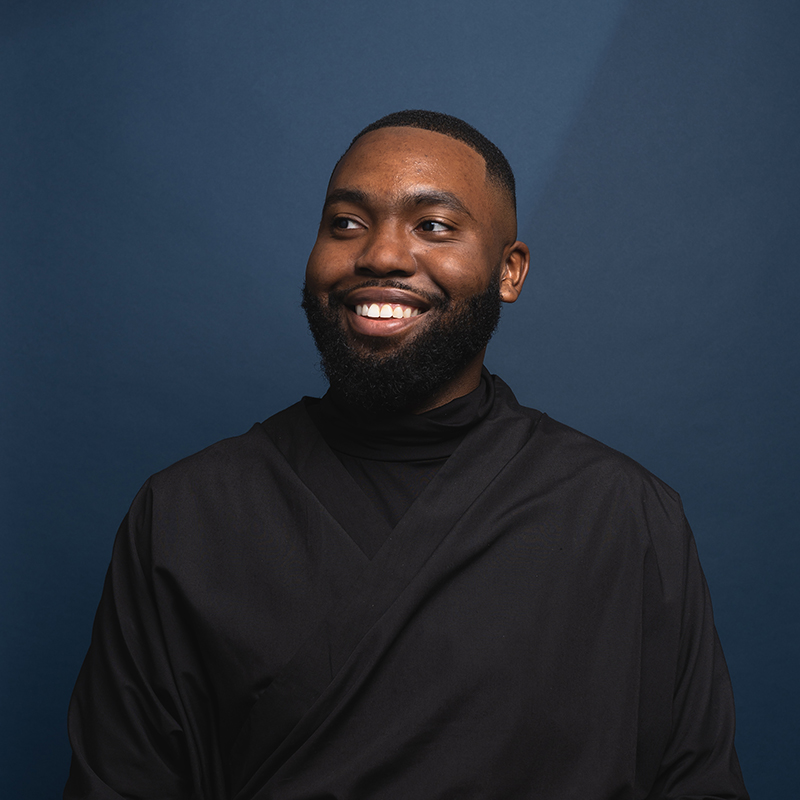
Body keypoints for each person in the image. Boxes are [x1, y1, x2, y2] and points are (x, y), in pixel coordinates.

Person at [64, 110, 749, 799]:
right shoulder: (185, 513)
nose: (382, 255)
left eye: (433, 226)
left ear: (509, 272)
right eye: (347, 224)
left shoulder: (626, 516)